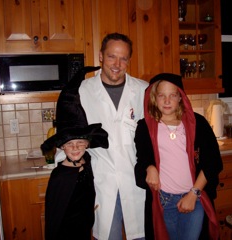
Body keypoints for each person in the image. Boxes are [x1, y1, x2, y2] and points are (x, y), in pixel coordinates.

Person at [134, 73, 223, 240]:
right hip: (164, 201)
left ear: (180, 97)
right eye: (162, 95)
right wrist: (149, 167)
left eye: (172, 95)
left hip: (193, 197)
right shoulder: (145, 127)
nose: (167, 101)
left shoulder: (198, 123)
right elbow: (143, 156)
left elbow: (213, 161)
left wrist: (193, 194)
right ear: (154, 98)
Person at [79, 32, 149, 240]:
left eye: (123, 58)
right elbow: (69, 135)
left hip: (137, 182)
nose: (117, 64)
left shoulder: (143, 90)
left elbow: (155, 137)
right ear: (101, 56)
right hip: (102, 183)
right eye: (111, 56)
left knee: (141, 236)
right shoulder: (82, 91)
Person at [41, 67, 109, 240]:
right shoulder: (60, 176)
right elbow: (54, 217)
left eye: (80, 143)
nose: (76, 148)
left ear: (87, 144)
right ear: (62, 147)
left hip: (84, 230)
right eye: (70, 144)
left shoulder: (87, 164)